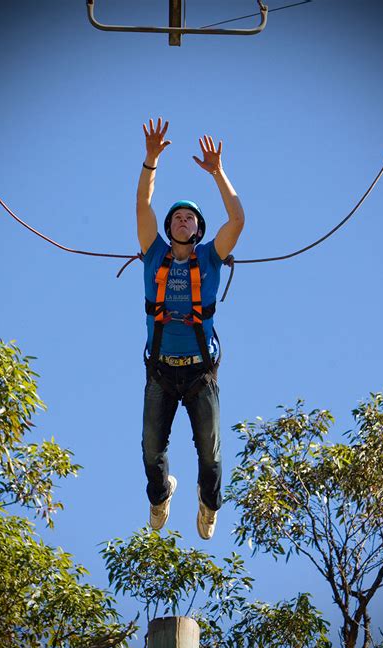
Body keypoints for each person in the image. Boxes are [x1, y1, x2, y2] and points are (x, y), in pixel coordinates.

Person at [136, 117, 244, 539]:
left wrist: (218, 173)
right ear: (168, 229)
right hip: (161, 370)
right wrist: (150, 162)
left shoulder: (211, 258)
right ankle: (161, 495)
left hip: (200, 371)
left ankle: (208, 503)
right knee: (150, 451)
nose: (183, 221)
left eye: (190, 219)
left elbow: (236, 220)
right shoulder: (153, 254)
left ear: (198, 229)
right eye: (177, 218)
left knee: (211, 458)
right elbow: (143, 206)